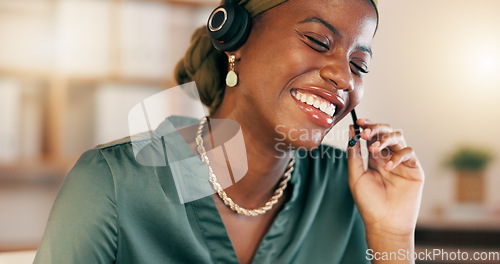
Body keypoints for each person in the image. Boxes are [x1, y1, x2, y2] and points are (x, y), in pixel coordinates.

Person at [34, 0, 425, 263]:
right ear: (235, 41)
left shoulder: (349, 187)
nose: (343, 77)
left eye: (360, 65)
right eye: (318, 41)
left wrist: (391, 233)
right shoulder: (112, 182)